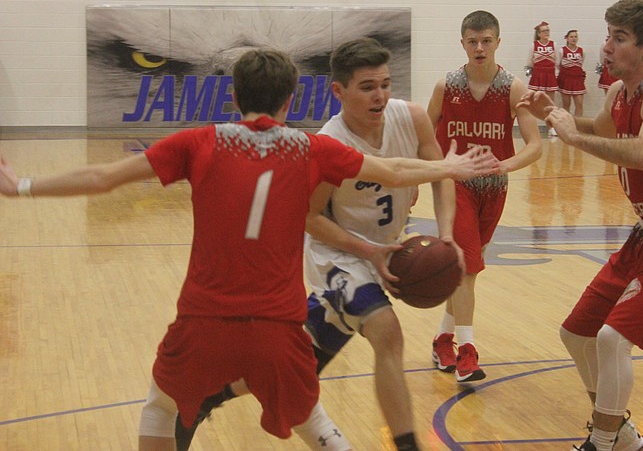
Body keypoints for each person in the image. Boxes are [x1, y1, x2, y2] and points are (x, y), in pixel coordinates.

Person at [0, 49, 498, 451]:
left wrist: (21, 185)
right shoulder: (312, 147)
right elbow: (392, 171)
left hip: (202, 321)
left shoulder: (199, 141)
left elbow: (101, 177)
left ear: (233, 95)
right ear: (290, 100)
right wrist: (450, 168)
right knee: (312, 421)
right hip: (277, 328)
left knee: (160, 407)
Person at [519, 0, 643, 451]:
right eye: (608, 36)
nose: (606, 47)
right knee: (576, 333)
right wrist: (553, 113)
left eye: (619, 38)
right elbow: (604, 130)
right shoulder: (618, 92)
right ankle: (620, 432)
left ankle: (603, 441)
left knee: (612, 338)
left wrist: (573, 136)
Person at [302, 37, 464, 451]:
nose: (381, 96)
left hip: (386, 248)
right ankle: (408, 445)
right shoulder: (330, 143)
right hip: (337, 254)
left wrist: (447, 236)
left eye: (386, 84)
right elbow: (310, 218)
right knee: (387, 331)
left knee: (297, 366)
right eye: (368, 87)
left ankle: (221, 390)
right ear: (339, 91)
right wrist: (368, 252)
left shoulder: (410, 117)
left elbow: (441, 173)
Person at [429, 10, 543, 383]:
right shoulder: (447, 86)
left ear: (497, 42)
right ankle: (468, 352)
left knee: (464, 271)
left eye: (486, 40)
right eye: (472, 41)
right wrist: (420, 178)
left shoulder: (514, 88)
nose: (480, 48)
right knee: (467, 266)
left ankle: (442, 338)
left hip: (493, 188)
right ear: (462, 43)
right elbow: (425, 136)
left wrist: (504, 166)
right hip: (454, 182)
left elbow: (535, 146)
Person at [526, 21, 559, 135]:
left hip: (550, 74)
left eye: (548, 30)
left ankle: (551, 128)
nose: (546, 33)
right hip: (537, 75)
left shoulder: (553, 44)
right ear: (539, 34)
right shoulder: (533, 45)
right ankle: (531, 128)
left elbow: (557, 61)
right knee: (533, 102)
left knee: (550, 104)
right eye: (544, 31)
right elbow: (529, 62)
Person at [557, 30, 587, 117]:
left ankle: (578, 125)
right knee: (566, 104)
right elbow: (558, 64)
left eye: (575, 37)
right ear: (567, 38)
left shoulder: (582, 51)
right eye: (571, 37)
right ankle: (566, 124)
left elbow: (581, 64)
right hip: (566, 79)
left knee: (579, 103)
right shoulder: (562, 51)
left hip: (577, 79)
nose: (574, 39)